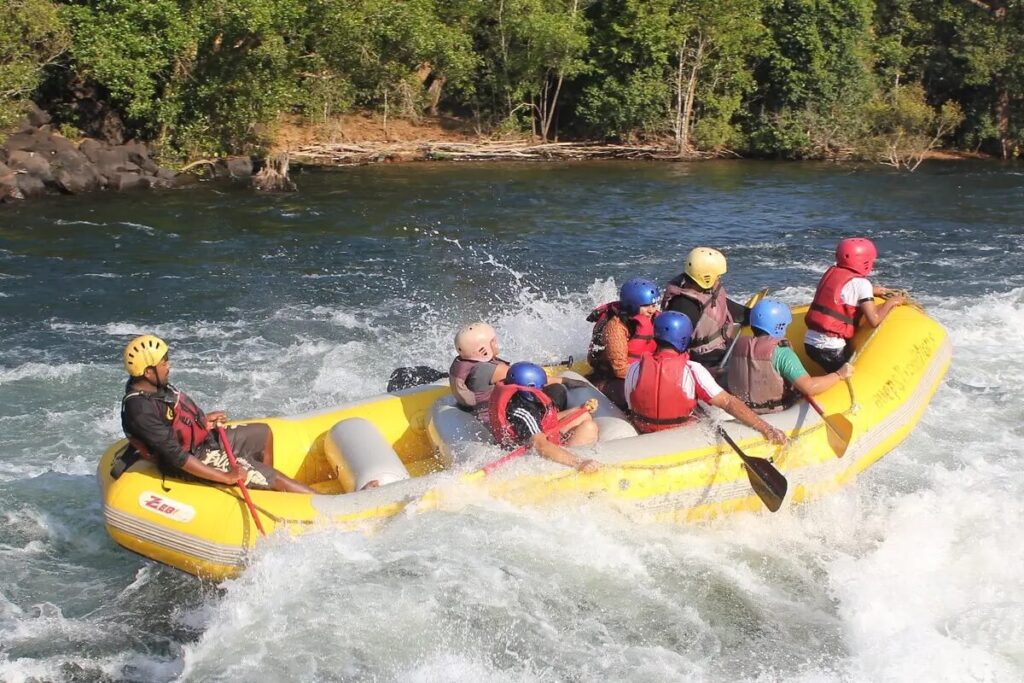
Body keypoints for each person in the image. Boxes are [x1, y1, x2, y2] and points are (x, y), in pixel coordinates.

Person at [118, 335, 314, 493]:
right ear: (148, 372)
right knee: (277, 479)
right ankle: (322, 506)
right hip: (192, 459)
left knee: (263, 433)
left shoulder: (154, 386)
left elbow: (173, 418)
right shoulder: (140, 410)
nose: (169, 366)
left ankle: (262, 491)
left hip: (202, 442)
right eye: (164, 363)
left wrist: (202, 421)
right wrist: (227, 477)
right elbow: (177, 457)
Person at [624, 312, 788, 443]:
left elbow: (633, 405)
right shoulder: (692, 370)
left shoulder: (634, 368)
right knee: (714, 412)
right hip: (680, 438)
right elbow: (729, 403)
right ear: (684, 339)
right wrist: (766, 429)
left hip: (645, 436)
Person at [727, 299, 854, 413]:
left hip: (745, 409)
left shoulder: (738, 345)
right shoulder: (782, 353)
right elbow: (809, 387)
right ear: (779, 326)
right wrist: (839, 374)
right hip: (776, 411)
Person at [804, 237, 905, 372]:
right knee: (846, 375)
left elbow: (843, 292)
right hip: (830, 348)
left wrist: (871, 291)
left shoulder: (832, 272)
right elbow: (874, 319)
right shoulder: (862, 284)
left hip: (810, 343)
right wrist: (892, 302)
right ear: (865, 262)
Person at [488, 362, 601, 473]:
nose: (543, 389)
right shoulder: (522, 411)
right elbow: (540, 445)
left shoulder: (520, 395)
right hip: (531, 450)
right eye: (541, 387)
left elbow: (543, 421)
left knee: (584, 416)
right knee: (589, 428)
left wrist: (579, 409)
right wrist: (579, 463)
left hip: (540, 435)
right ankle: (578, 467)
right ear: (530, 387)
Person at [661, 247, 751, 369]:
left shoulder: (707, 290)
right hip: (704, 361)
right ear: (706, 277)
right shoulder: (684, 306)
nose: (719, 278)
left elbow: (722, 305)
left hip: (722, 348)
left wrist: (751, 315)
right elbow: (673, 347)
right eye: (717, 275)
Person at [586, 278, 660, 409]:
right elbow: (620, 370)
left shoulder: (655, 318)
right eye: (646, 306)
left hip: (641, 373)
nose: (651, 310)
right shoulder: (616, 327)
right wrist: (652, 378)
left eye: (654, 305)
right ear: (632, 306)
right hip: (611, 379)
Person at [449, 322, 511, 413]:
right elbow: (524, 375)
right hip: (487, 417)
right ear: (483, 350)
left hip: (471, 410)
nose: (496, 343)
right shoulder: (492, 370)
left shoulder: (462, 361)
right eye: (493, 341)